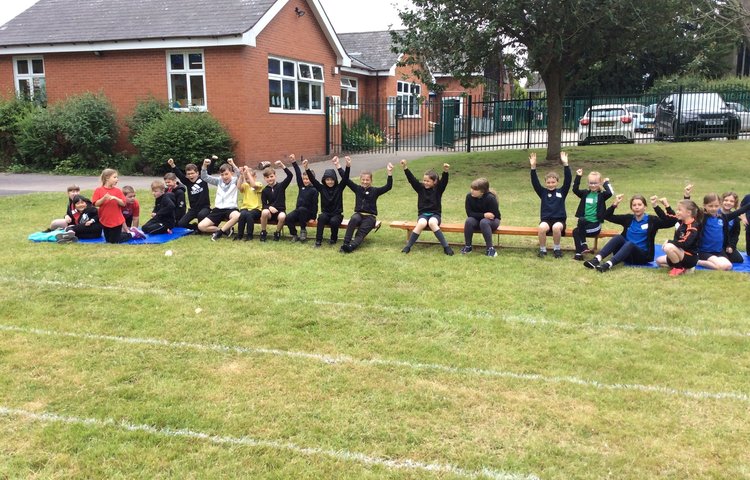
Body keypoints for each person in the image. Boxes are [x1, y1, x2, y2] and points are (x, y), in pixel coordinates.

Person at [584, 194, 676, 272]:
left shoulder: (652, 220)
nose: (637, 207)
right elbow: (605, 216)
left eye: (639, 205)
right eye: (634, 205)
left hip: (642, 257)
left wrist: (658, 206)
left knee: (630, 244)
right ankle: (597, 259)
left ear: (645, 207)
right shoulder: (628, 219)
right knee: (618, 237)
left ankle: (608, 264)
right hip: (625, 254)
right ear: (631, 208)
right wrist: (615, 204)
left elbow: (672, 221)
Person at [400, 159, 453, 256]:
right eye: (424, 180)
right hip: (423, 215)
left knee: (432, 223)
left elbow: (444, 182)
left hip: (435, 215)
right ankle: (408, 246)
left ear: (435, 182)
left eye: (428, 181)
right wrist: (405, 168)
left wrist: (445, 171)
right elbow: (412, 180)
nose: (425, 183)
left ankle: (446, 247)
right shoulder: (420, 188)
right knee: (421, 223)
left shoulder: (438, 189)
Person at [339, 160, 394, 253]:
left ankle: (351, 246)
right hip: (358, 214)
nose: (365, 181)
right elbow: (346, 180)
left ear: (371, 180)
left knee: (361, 233)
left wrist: (389, 173)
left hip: (370, 217)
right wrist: (339, 166)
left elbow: (388, 186)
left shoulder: (375, 191)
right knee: (353, 220)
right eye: (363, 179)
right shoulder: (357, 189)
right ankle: (345, 243)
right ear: (360, 180)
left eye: (367, 180)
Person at [691, 191, 750, 270]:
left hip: (719, 251)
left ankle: (697, 261)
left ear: (719, 205)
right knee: (725, 266)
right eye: (710, 206)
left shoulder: (723, 217)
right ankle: (697, 261)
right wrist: (687, 195)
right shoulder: (702, 217)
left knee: (729, 265)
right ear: (705, 206)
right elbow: (690, 208)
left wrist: (730, 246)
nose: (713, 208)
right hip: (705, 251)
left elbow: (738, 212)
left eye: (716, 206)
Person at [529, 151, 571, 258]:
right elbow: (535, 183)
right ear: (545, 183)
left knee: (556, 228)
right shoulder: (543, 192)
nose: (550, 184)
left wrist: (566, 164)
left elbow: (568, 180)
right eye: (548, 182)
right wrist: (533, 167)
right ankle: (542, 250)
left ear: (557, 182)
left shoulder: (562, 191)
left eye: (553, 182)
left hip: (559, 220)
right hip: (546, 220)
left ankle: (557, 249)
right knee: (542, 228)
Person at [306, 155, 349, 247]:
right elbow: (313, 180)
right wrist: (306, 168)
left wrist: (343, 166)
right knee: (321, 218)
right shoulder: (321, 188)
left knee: (334, 221)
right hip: (326, 213)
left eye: (332, 179)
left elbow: (345, 178)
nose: (330, 182)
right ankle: (318, 241)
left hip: (337, 215)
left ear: (335, 180)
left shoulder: (339, 188)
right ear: (324, 180)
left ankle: (333, 238)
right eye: (327, 180)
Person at [92, 169, 144, 243]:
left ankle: (132, 234)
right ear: (107, 178)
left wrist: (115, 198)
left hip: (116, 220)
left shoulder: (118, 191)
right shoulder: (98, 190)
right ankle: (127, 233)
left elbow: (123, 203)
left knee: (114, 241)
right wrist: (104, 198)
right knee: (108, 241)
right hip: (104, 219)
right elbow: (95, 204)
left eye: (117, 177)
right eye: (115, 177)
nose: (117, 179)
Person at [571, 168, 613, 261]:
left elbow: (610, 192)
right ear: (588, 183)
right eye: (591, 183)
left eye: (595, 183)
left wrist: (605, 182)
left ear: (599, 183)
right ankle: (579, 253)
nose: (593, 185)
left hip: (594, 225)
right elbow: (575, 189)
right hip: (584, 224)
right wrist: (578, 176)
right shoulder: (585, 193)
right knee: (578, 225)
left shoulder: (601, 195)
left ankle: (583, 247)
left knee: (577, 232)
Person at [197, 157, 241, 241]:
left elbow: (240, 174)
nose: (224, 177)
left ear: (231, 173)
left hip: (230, 209)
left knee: (237, 216)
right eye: (222, 174)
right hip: (218, 209)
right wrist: (204, 165)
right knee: (201, 226)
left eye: (226, 174)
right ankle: (225, 229)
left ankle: (219, 233)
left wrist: (233, 164)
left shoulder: (235, 180)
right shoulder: (218, 181)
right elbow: (204, 177)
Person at [655, 198, 702, 276]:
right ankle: (683, 268)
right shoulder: (681, 221)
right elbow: (667, 216)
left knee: (668, 247)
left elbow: (686, 243)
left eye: (680, 210)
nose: (677, 212)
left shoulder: (693, 227)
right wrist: (658, 205)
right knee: (658, 261)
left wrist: (670, 242)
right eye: (677, 209)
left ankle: (678, 268)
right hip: (679, 253)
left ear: (688, 213)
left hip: (690, 257)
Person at [167, 158, 211, 231]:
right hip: (193, 209)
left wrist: (210, 162)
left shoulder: (203, 179)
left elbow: (209, 171)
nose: (191, 176)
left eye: (192, 173)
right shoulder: (187, 182)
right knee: (181, 223)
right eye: (188, 174)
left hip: (205, 208)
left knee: (201, 215)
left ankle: (201, 230)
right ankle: (196, 227)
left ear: (197, 173)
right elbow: (179, 174)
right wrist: (172, 165)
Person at [461, 178, 501, 257]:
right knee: (469, 221)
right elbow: (470, 213)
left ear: (482, 191)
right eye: (471, 188)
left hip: (493, 221)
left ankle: (490, 249)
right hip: (477, 219)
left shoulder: (490, 198)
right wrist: (483, 215)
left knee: (484, 222)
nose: (472, 191)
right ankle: (468, 246)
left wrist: (484, 217)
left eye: (475, 189)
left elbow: (493, 215)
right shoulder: (469, 197)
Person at [260, 157, 294, 241]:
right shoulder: (264, 190)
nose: (270, 179)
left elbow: (290, 175)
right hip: (270, 213)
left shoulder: (281, 186)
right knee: (264, 212)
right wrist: (269, 207)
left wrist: (282, 165)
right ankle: (263, 232)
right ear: (265, 179)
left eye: (271, 176)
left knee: (282, 216)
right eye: (267, 177)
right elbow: (264, 204)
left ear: (275, 175)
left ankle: (277, 232)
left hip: (280, 211)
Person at [286, 155, 319, 242]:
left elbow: (315, 204)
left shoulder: (314, 190)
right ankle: (294, 234)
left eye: (307, 179)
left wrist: (313, 217)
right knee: (288, 217)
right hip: (299, 211)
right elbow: (297, 173)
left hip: (307, 213)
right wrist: (294, 162)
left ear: (312, 179)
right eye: (304, 179)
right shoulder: (301, 186)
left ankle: (303, 230)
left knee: (302, 209)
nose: (305, 181)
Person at [235, 165, 264, 241]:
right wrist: (241, 175)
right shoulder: (245, 185)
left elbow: (253, 185)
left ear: (255, 177)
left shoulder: (259, 184)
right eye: (246, 178)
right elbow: (238, 187)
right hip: (245, 208)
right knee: (242, 215)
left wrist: (247, 172)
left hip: (256, 209)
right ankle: (240, 235)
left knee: (249, 215)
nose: (248, 180)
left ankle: (249, 235)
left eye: (249, 177)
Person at [720, 192, 744, 264]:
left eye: (731, 201)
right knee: (724, 260)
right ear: (721, 201)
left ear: (735, 203)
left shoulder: (735, 218)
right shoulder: (715, 213)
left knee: (738, 259)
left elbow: (735, 234)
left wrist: (731, 246)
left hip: (726, 245)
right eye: (726, 200)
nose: (728, 203)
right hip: (714, 244)